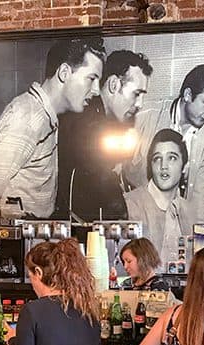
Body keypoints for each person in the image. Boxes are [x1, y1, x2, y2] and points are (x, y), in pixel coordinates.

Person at [0, 38, 105, 219]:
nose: (96, 90)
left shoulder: (42, 115)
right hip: (16, 242)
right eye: (91, 79)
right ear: (64, 72)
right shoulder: (28, 116)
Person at [123, 64, 204, 232]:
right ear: (188, 95)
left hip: (177, 227)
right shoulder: (144, 116)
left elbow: (202, 201)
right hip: (134, 219)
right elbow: (113, 172)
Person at [56, 50, 153, 221]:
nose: (139, 104)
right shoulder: (85, 121)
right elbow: (103, 183)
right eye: (136, 94)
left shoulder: (103, 120)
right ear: (114, 84)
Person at [124, 129, 187, 264]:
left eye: (172, 158)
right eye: (157, 158)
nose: (163, 166)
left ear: (184, 167)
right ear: (150, 165)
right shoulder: (129, 204)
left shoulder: (190, 211)